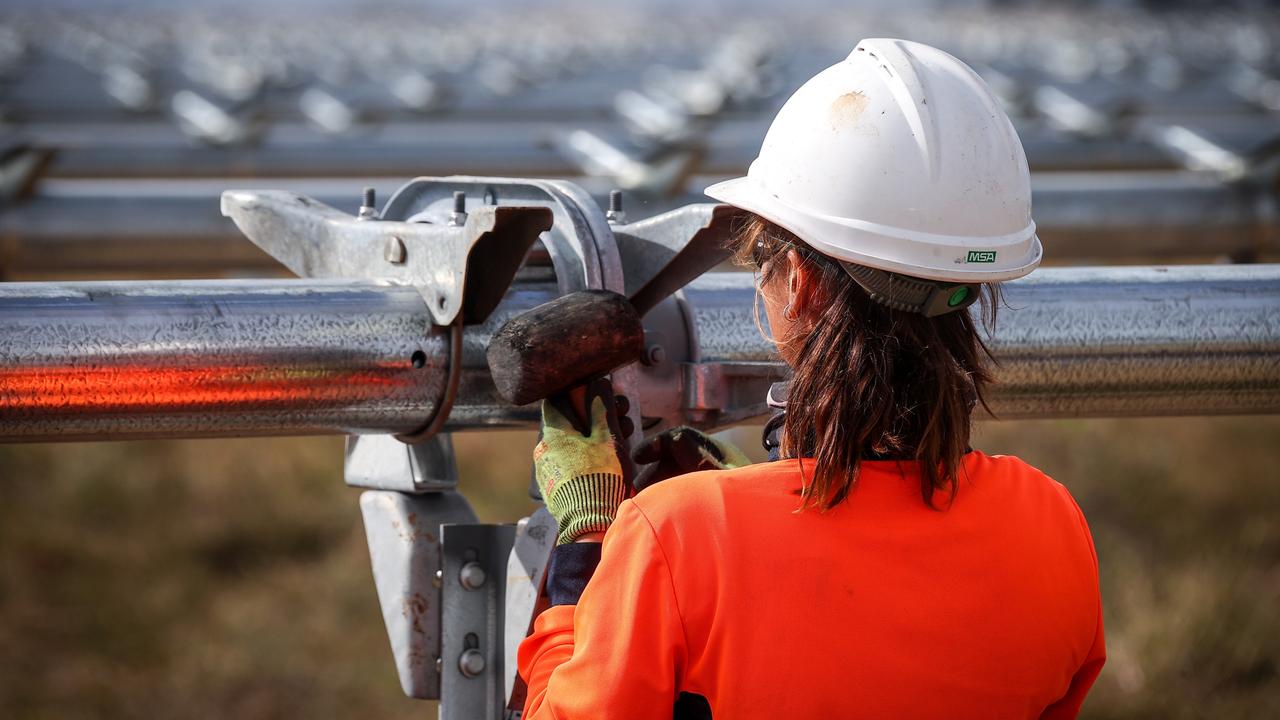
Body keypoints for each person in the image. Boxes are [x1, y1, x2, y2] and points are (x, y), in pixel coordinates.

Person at [517, 38, 1104, 719]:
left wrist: (589, 544)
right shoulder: (1051, 526)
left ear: (798, 283)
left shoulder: (673, 538)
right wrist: (753, 488)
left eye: (762, 255)